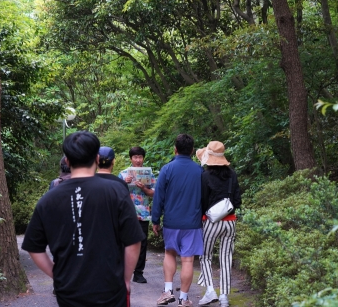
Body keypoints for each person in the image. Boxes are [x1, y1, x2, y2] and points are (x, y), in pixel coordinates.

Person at [22, 131, 145, 307]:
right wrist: (125, 279)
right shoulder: (115, 191)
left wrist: (56, 275)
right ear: (96, 158)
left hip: (69, 291)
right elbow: (133, 241)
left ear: (67, 161)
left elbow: (34, 247)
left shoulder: (49, 199)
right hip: (110, 288)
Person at [152, 134, 203, 307]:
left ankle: (167, 291)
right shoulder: (200, 171)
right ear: (192, 151)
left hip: (171, 221)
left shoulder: (167, 169)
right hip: (193, 222)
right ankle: (184, 298)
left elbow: (159, 196)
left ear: (175, 149)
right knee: (188, 260)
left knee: (169, 253)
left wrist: (155, 219)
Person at [196, 141, 242, 307]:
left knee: (205, 256)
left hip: (210, 223)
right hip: (230, 222)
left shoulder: (205, 176)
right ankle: (224, 297)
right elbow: (237, 200)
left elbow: (202, 201)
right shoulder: (232, 174)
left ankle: (210, 291)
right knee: (226, 258)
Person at [119, 146, 156, 284]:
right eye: (135, 157)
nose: (138, 160)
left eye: (140, 157)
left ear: (143, 158)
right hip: (126, 213)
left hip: (143, 213)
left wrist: (144, 188)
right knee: (124, 242)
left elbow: (154, 193)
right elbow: (116, 193)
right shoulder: (123, 174)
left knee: (142, 243)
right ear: (131, 158)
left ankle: (138, 273)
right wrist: (124, 183)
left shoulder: (149, 174)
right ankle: (123, 270)